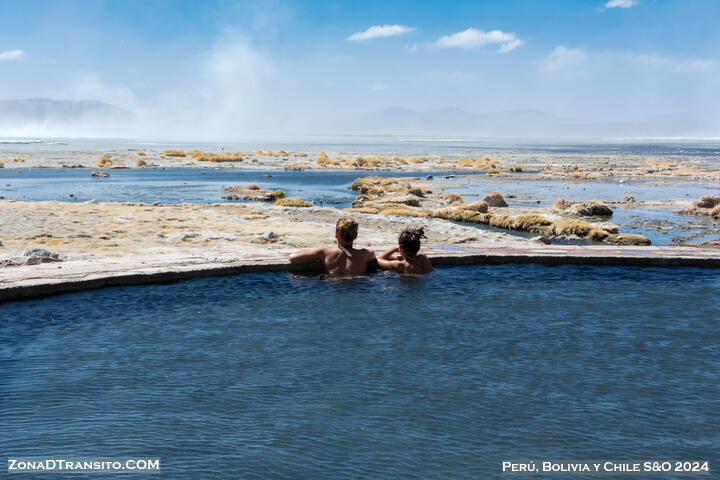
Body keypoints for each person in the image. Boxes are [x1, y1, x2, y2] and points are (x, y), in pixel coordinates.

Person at [288, 216, 376, 275]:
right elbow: (372, 255)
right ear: (355, 235)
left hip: (333, 288)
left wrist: (317, 256)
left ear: (336, 235)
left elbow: (292, 258)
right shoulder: (365, 253)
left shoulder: (326, 252)